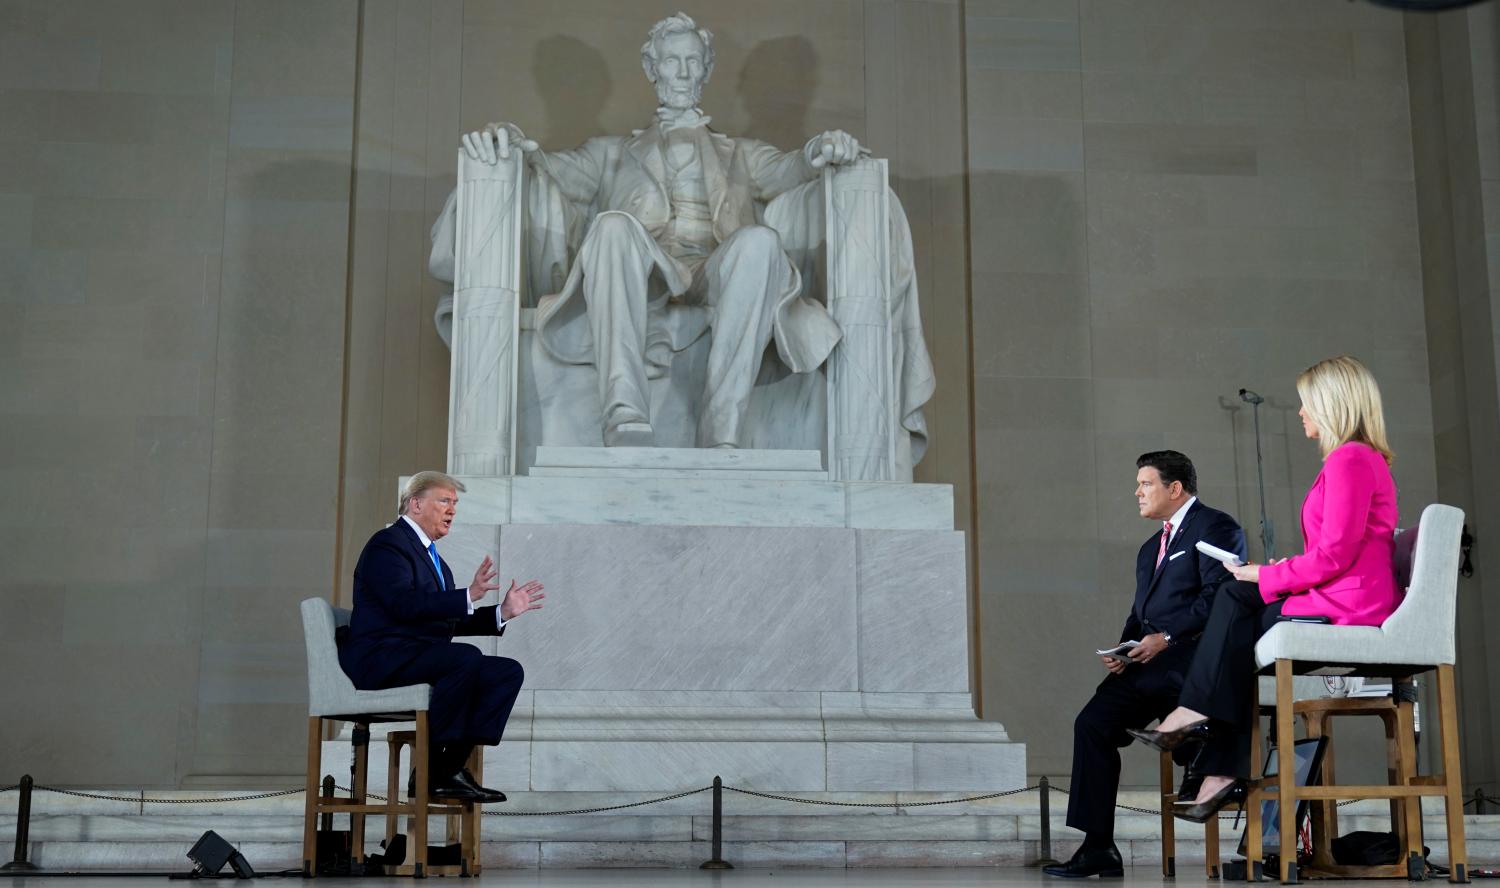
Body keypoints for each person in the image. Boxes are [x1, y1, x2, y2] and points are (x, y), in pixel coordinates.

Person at [454, 13, 869, 448]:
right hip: (646, 270)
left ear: (707, 70)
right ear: (653, 70)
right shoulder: (610, 154)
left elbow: (791, 169)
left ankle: (722, 428)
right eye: (672, 61)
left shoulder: (740, 154)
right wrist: (508, 140)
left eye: (693, 61)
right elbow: (547, 167)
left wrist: (821, 149)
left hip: (716, 271)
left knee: (761, 241)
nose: (684, 72)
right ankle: (625, 414)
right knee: (612, 226)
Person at [1131, 356, 1400, 822]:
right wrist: (1273, 572)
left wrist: (1267, 576)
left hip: (1351, 602)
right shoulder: (1353, 459)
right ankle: (1214, 759)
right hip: (1338, 591)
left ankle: (1201, 729)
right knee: (1235, 608)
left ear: (1331, 404)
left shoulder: (1351, 458)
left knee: (1236, 607)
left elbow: (1335, 555)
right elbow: (1336, 549)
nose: (1299, 412)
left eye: (1305, 403)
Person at [1046, 451, 1246, 879]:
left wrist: (1167, 638)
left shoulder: (1216, 526)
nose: (1137, 492)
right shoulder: (1148, 548)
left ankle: (1204, 761)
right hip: (1148, 661)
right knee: (1092, 724)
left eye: (1146, 483)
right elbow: (1142, 612)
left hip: (1195, 659)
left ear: (1175, 489)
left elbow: (1221, 597)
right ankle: (1098, 846)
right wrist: (1124, 648)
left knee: (1176, 702)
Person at [339, 471, 545, 802]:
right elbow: (402, 605)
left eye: (455, 503)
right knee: (464, 658)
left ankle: (448, 767)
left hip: (414, 656)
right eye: (444, 501)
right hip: (380, 658)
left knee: (506, 672)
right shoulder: (387, 544)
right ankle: (433, 771)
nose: (452, 510)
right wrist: (466, 595)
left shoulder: (437, 562)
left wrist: (501, 613)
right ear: (416, 503)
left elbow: (442, 620)